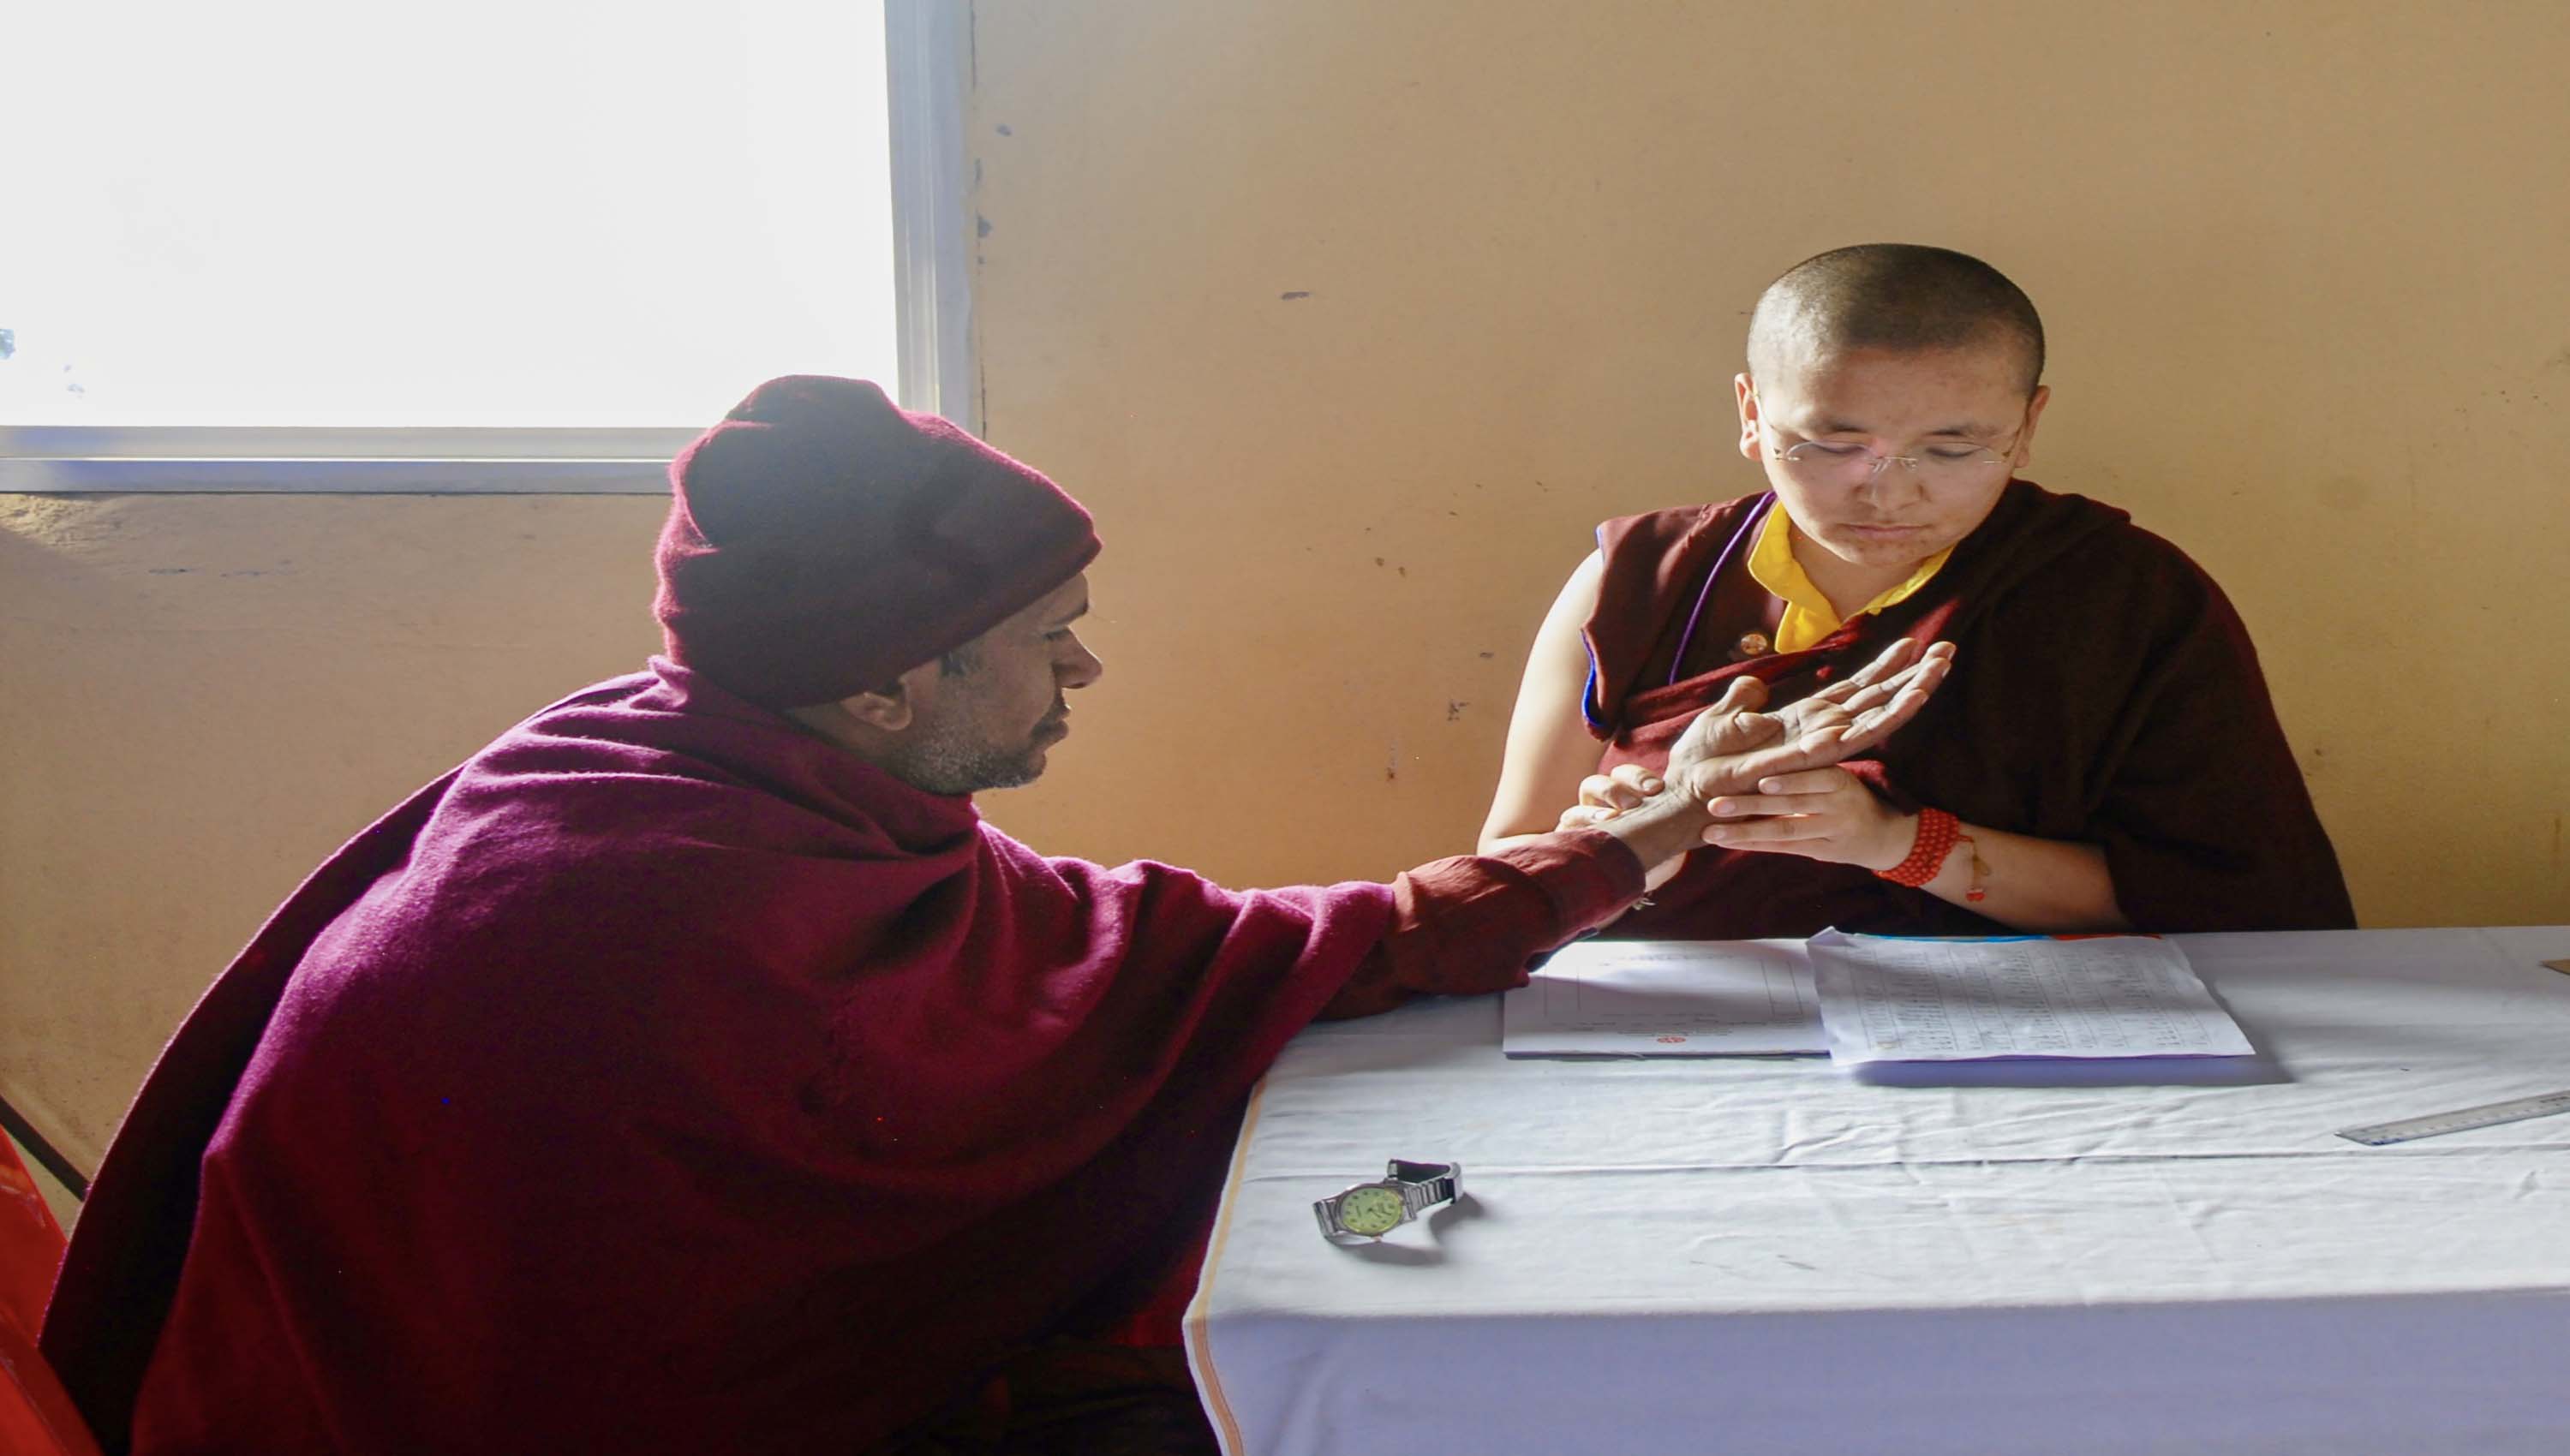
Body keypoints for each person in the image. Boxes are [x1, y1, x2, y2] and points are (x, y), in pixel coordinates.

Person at [43, 376, 1950, 1455]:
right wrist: (1623, 848)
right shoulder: (665, 916)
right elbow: (1154, 998)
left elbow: (1154, 953)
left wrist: (1629, 837)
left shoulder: (680, 749)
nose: (1087, 668)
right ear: (889, 686)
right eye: (1043, 643)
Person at [1479, 243, 2353, 937]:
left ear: (2027, 428)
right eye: (1831, 444)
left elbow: (2239, 901)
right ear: (1752, 413)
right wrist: (1638, 843)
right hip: (1676, 1026)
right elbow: (1509, 856)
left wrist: (1895, 842)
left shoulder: (2126, 596)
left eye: (1950, 449)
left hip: (2022, 1038)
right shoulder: (1641, 576)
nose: (1888, 492)